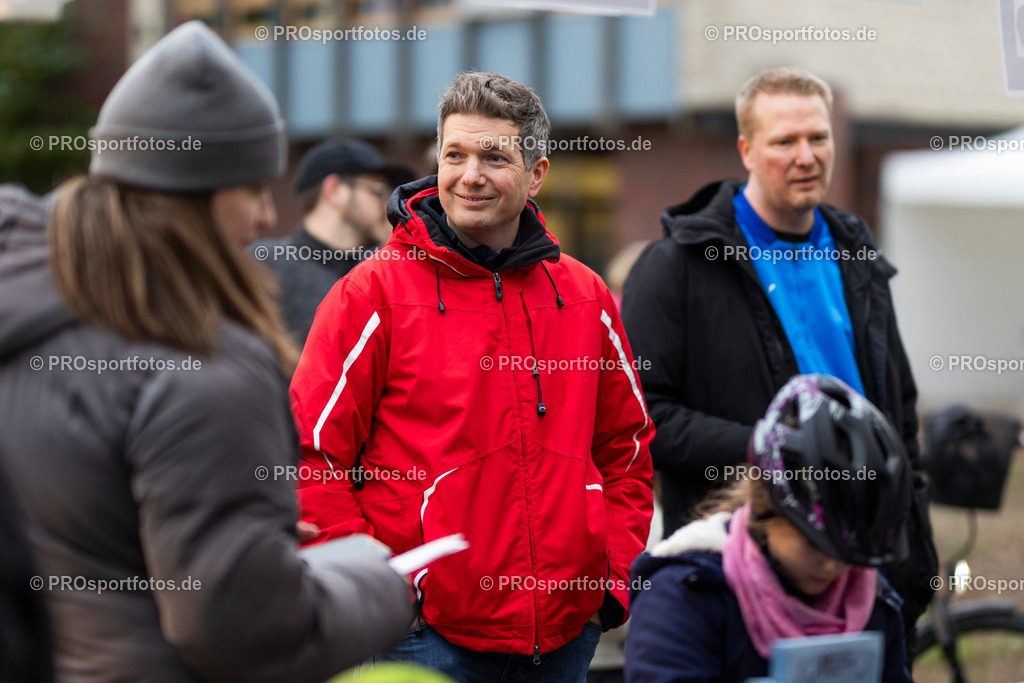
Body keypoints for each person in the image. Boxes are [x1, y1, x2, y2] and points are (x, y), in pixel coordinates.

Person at [0, 22, 412, 682]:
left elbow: (92, 534)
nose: (267, 217)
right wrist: (381, 580)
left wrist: (246, 535)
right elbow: (242, 630)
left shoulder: (25, 312)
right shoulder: (205, 367)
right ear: (195, 195)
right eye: (252, 188)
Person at [290, 71, 654, 682]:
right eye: (454, 155)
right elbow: (310, 454)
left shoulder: (585, 294)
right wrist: (379, 590)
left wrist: (607, 583)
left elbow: (628, 448)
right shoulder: (372, 292)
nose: (469, 174)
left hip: (563, 637)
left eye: (494, 156)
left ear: (537, 173)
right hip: (422, 639)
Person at [620, 66, 937, 651]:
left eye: (818, 138)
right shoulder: (677, 267)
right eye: (784, 141)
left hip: (868, 568)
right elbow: (642, 418)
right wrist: (779, 452)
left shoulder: (857, 254)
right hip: (745, 571)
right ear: (746, 148)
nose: (806, 156)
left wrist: (913, 540)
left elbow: (900, 408)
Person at [624, 375, 914, 682]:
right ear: (767, 504)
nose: (833, 565)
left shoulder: (871, 597)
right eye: (815, 544)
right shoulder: (684, 594)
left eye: (849, 549)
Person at [254, 138, 415, 346]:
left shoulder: (388, 273)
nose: (389, 204)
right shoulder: (262, 267)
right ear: (335, 190)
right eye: (379, 192)